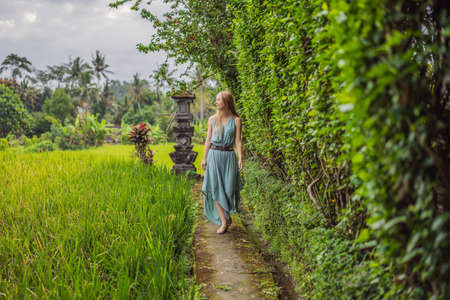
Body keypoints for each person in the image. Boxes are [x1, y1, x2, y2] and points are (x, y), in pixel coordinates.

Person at [201, 91, 244, 234]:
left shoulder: (236, 120)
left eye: (218, 100)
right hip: (214, 155)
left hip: (229, 156)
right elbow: (207, 140)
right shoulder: (212, 119)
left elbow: (238, 141)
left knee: (228, 189)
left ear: (226, 102)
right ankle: (224, 222)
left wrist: (240, 158)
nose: (216, 102)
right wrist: (204, 158)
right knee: (215, 188)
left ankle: (226, 216)